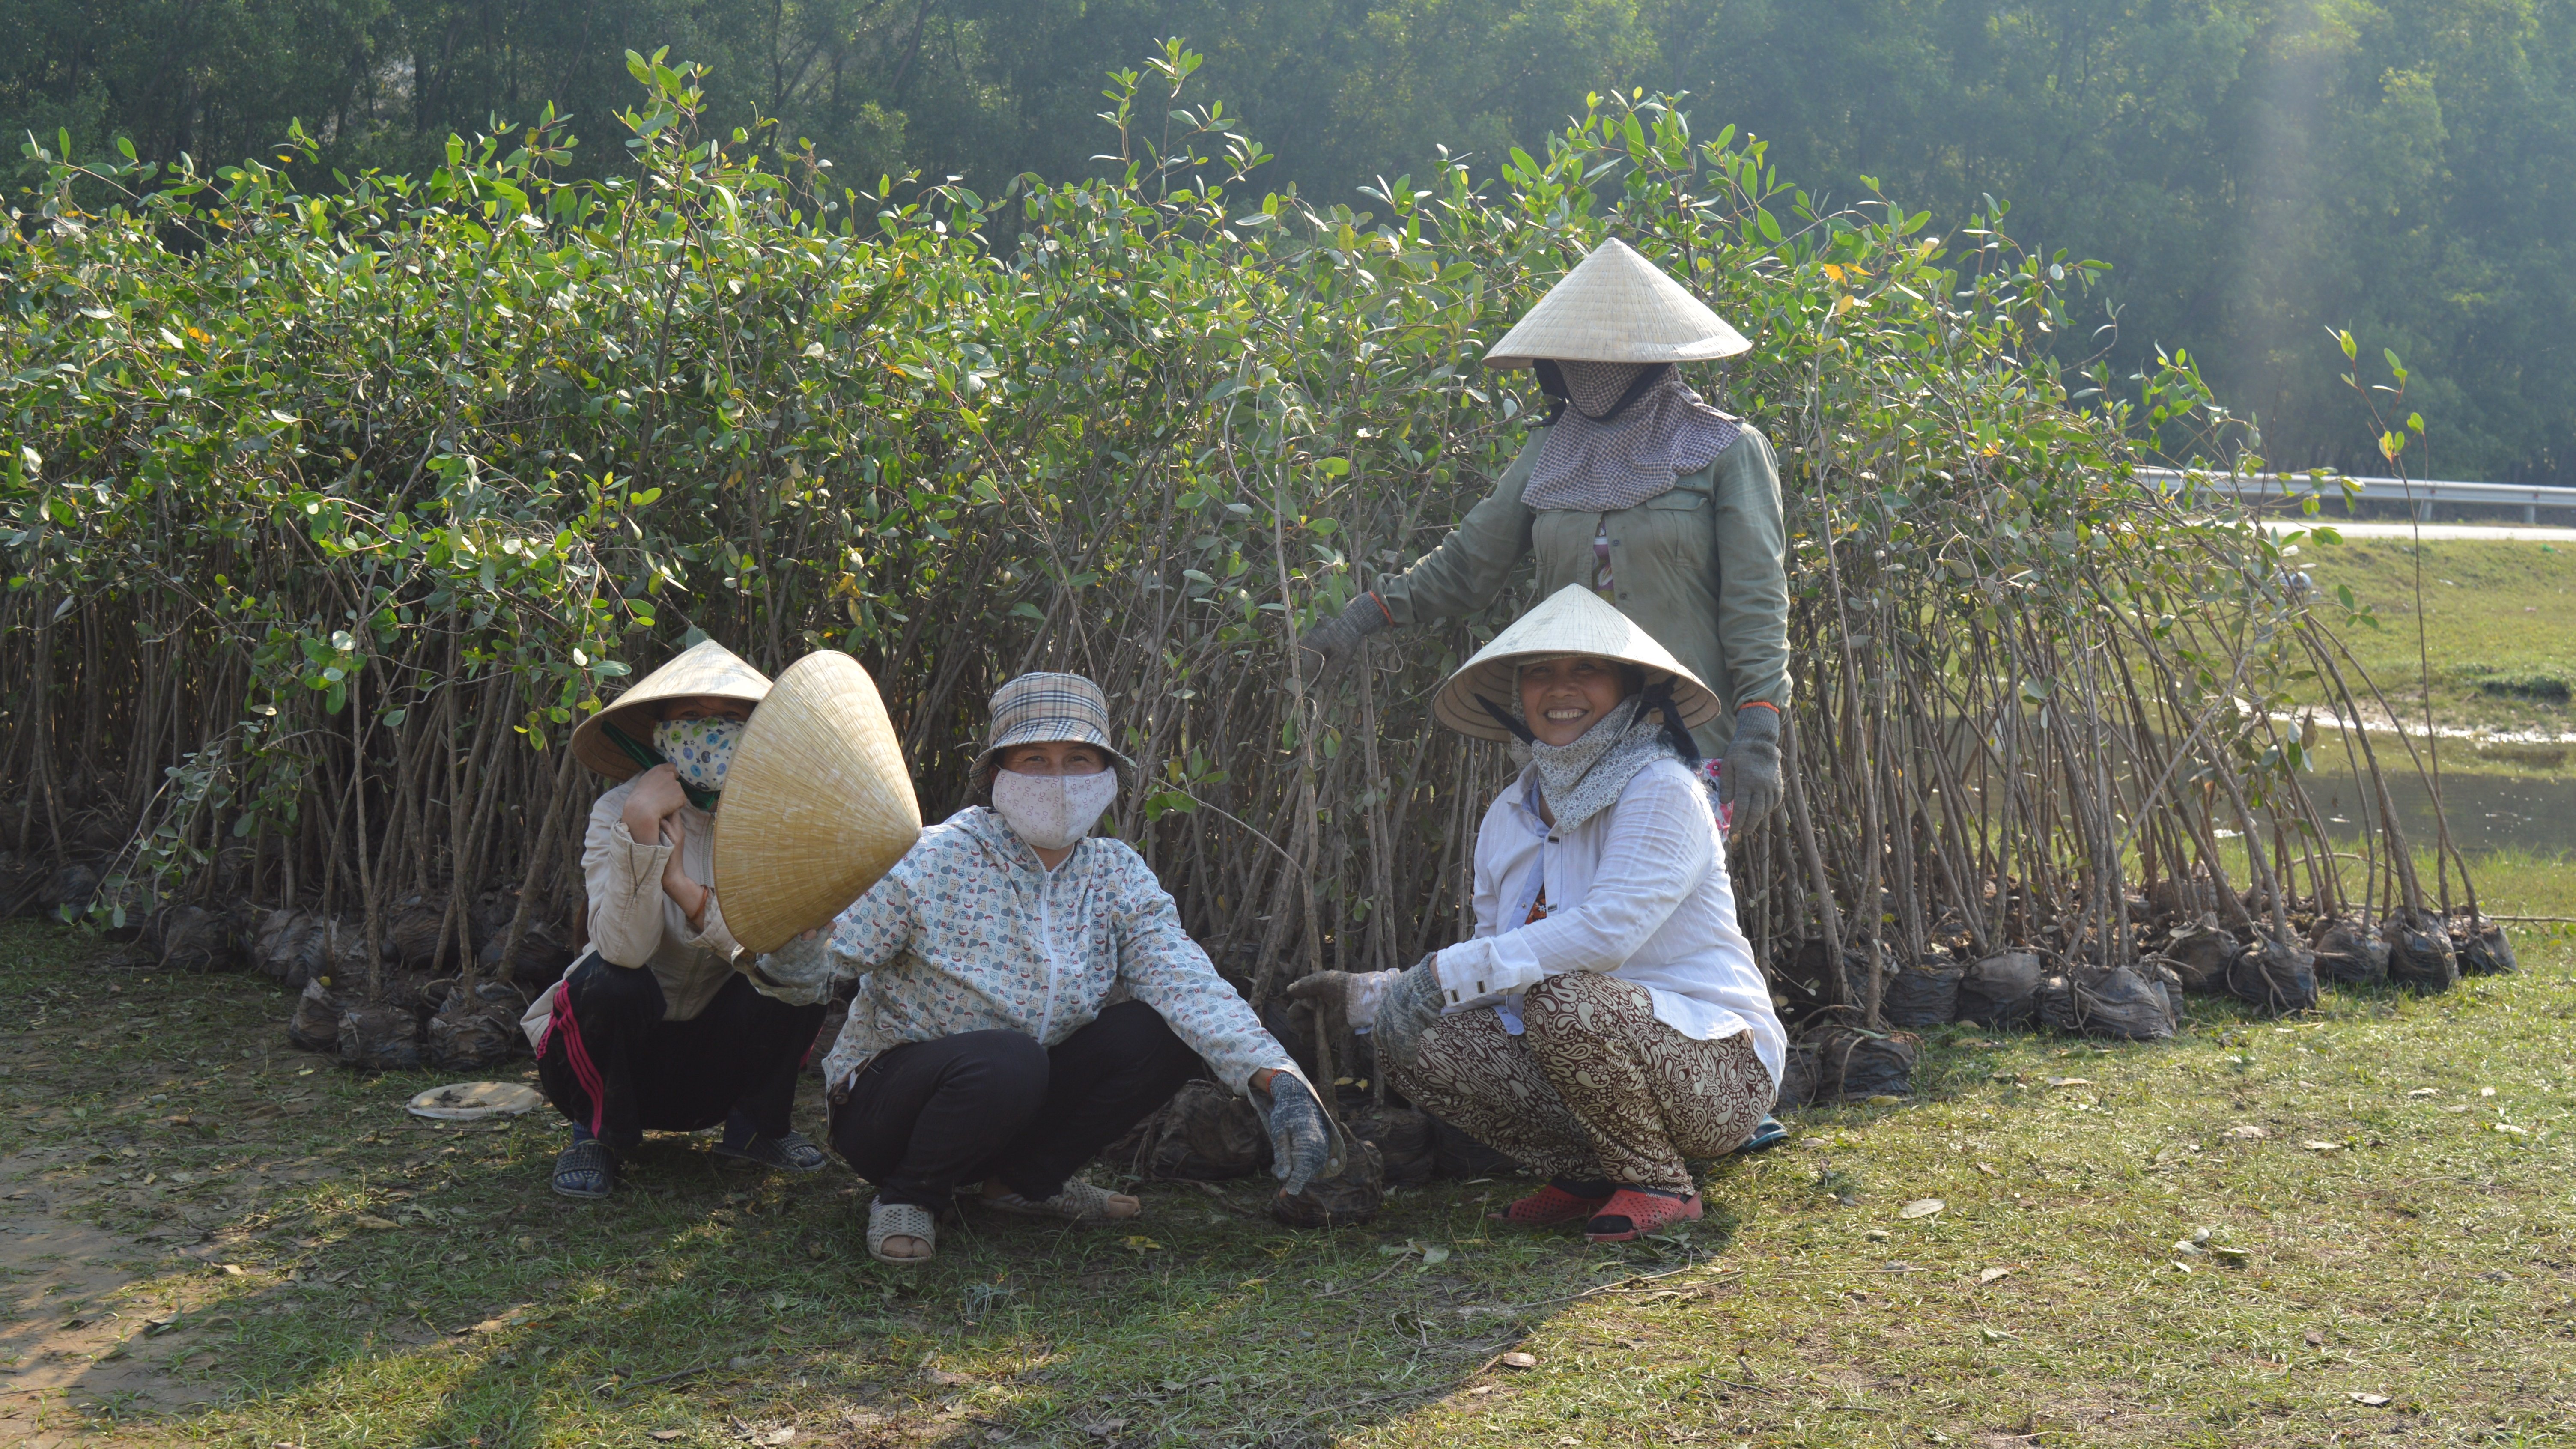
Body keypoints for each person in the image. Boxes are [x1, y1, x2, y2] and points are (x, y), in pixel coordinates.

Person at [752, 671, 1335, 1264]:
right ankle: (910, 1195)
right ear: (996, 776)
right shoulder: (932, 858)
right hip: (891, 1112)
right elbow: (819, 970)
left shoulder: (1115, 873)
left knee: (1162, 1030)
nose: (1058, 780)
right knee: (1010, 1060)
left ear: (1106, 777)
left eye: (1078, 759)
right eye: (1035, 758)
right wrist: (797, 940)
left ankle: (1022, 1183)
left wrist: (1278, 1079)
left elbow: (1183, 979)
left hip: (1015, 1102)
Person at [1291, 587, 1787, 1243]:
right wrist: (1375, 996)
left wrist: (1440, 972)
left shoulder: (1663, 787)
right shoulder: (1509, 812)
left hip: (1721, 1074)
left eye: (1588, 670)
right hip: (1590, 1042)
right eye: (1540, 673)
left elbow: (1606, 933)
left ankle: (1660, 1186)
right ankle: (1587, 1174)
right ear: (1518, 694)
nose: (1562, 689)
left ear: (1631, 687)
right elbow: (1496, 956)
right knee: (1409, 1035)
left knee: (1564, 1000)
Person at [1297, 237, 1790, 835]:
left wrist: (1760, 729)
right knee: (1567, 901)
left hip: (1686, 733)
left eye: (1603, 358)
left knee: (1658, 906)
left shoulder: (1727, 451)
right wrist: (1365, 614)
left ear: (1647, 356)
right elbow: (1468, 564)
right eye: (1572, 358)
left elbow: (1756, 601)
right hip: (1570, 731)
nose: (1585, 373)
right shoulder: (1549, 452)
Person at [522, 639, 832, 1199]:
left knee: (801, 969)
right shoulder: (617, 809)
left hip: (712, 1061)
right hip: (620, 1052)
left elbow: (766, 950)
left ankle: (758, 1129)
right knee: (607, 982)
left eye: (731, 720)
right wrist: (643, 831)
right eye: (691, 717)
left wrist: (686, 891)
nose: (710, 732)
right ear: (661, 731)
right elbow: (622, 951)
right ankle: (596, 1136)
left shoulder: (774, 825)